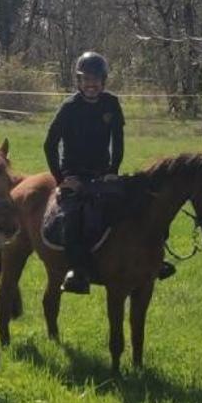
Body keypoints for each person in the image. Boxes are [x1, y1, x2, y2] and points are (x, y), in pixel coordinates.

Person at [44, 52, 126, 293]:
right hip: (74, 173)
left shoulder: (112, 103)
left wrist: (113, 171)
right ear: (78, 82)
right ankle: (77, 270)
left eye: (96, 79)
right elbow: (49, 144)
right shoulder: (69, 107)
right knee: (73, 216)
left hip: (102, 172)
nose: (91, 85)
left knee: (133, 202)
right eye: (86, 80)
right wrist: (61, 179)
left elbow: (118, 142)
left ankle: (147, 258)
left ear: (104, 81)